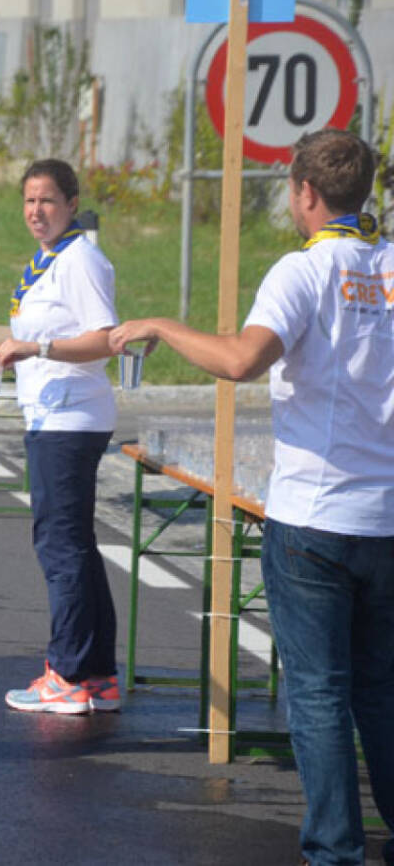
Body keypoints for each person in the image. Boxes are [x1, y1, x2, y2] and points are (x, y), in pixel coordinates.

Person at [110, 129, 393, 865]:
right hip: (387, 516)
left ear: (305, 192)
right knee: (382, 691)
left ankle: (336, 850)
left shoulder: (303, 272)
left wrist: (160, 326)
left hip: (315, 516)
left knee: (321, 694)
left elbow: (241, 360)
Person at [0, 158, 122, 715]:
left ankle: (68, 673)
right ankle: (99, 676)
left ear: (72, 205)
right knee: (75, 546)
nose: (37, 211)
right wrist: (0, 358)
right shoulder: (47, 258)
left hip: (70, 420)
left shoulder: (81, 260)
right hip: (52, 413)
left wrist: (38, 350)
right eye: (30, 201)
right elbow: (38, 332)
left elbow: (105, 339)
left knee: (61, 548)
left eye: (48, 201)